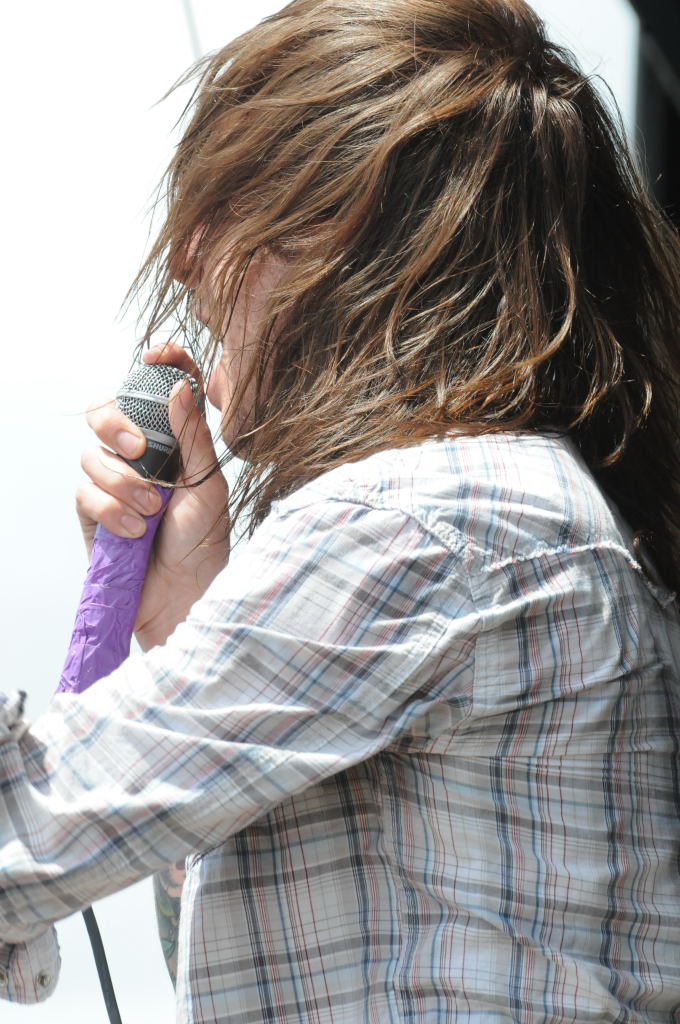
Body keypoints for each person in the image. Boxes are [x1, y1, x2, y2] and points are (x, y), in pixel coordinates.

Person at [2, 0, 680, 1019]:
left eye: (233, 206)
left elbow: (29, 836)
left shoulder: (425, 520)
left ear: (346, 236)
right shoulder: (520, 510)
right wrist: (190, 617)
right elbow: (232, 953)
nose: (186, 257)